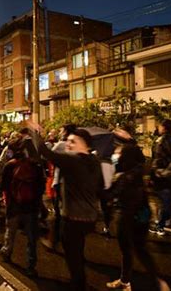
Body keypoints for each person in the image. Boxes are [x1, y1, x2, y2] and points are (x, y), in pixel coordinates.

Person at [27, 121, 103, 290]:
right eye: (68, 140)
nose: (68, 144)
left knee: (72, 257)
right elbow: (101, 187)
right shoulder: (95, 161)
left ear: (85, 145)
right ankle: (79, 281)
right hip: (89, 218)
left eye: (73, 142)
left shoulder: (74, 160)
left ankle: (78, 285)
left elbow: (45, 152)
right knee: (78, 251)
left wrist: (34, 132)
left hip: (73, 218)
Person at [106, 144, 169, 291]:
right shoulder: (140, 170)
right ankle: (158, 281)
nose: (115, 155)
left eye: (118, 152)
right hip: (142, 217)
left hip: (126, 218)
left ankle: (126, 282)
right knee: (140, 250)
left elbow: (109, 195)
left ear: (125, 156)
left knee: (127, 251)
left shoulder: (124, 176)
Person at [0, 139, 45, 277]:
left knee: (10, 232)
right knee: (31, 238)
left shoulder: (10, 166)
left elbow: (3, 187)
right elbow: (41, 187)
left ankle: (7, 252)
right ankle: (31, 265)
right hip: (31, 207)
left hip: (14, 206)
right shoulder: (36, 166)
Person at [150, 119, 171, 236]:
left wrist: (156, 172)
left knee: (165, 202)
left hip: (162, 175)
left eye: (159, 127)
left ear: (163, 128)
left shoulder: (160, 141)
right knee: (166, 201)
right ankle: (164, 222)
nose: (158, 129)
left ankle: (162, 224)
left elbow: (157, 159)